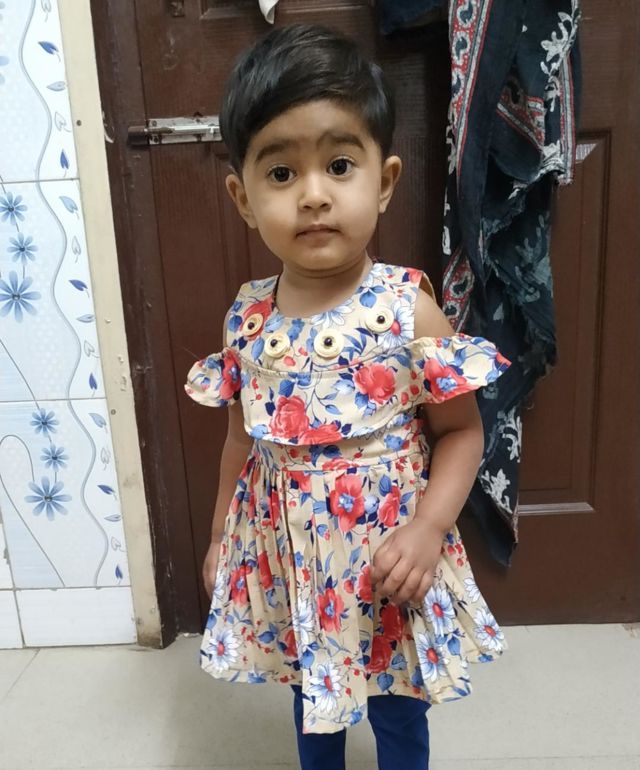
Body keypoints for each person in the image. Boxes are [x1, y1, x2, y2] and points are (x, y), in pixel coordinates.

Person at [184, 23, 511, 770]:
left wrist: (428, 529)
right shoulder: (247, 320)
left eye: (338, 165)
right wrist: (220, 536)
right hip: (294, 563)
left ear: (384, 181)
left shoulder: (407, 311)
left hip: (388, 562)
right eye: (281, 173)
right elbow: (241, 438)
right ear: (242, 197)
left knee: (397, 707)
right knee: (312, 699)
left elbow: (462, 433)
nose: (314, 196)